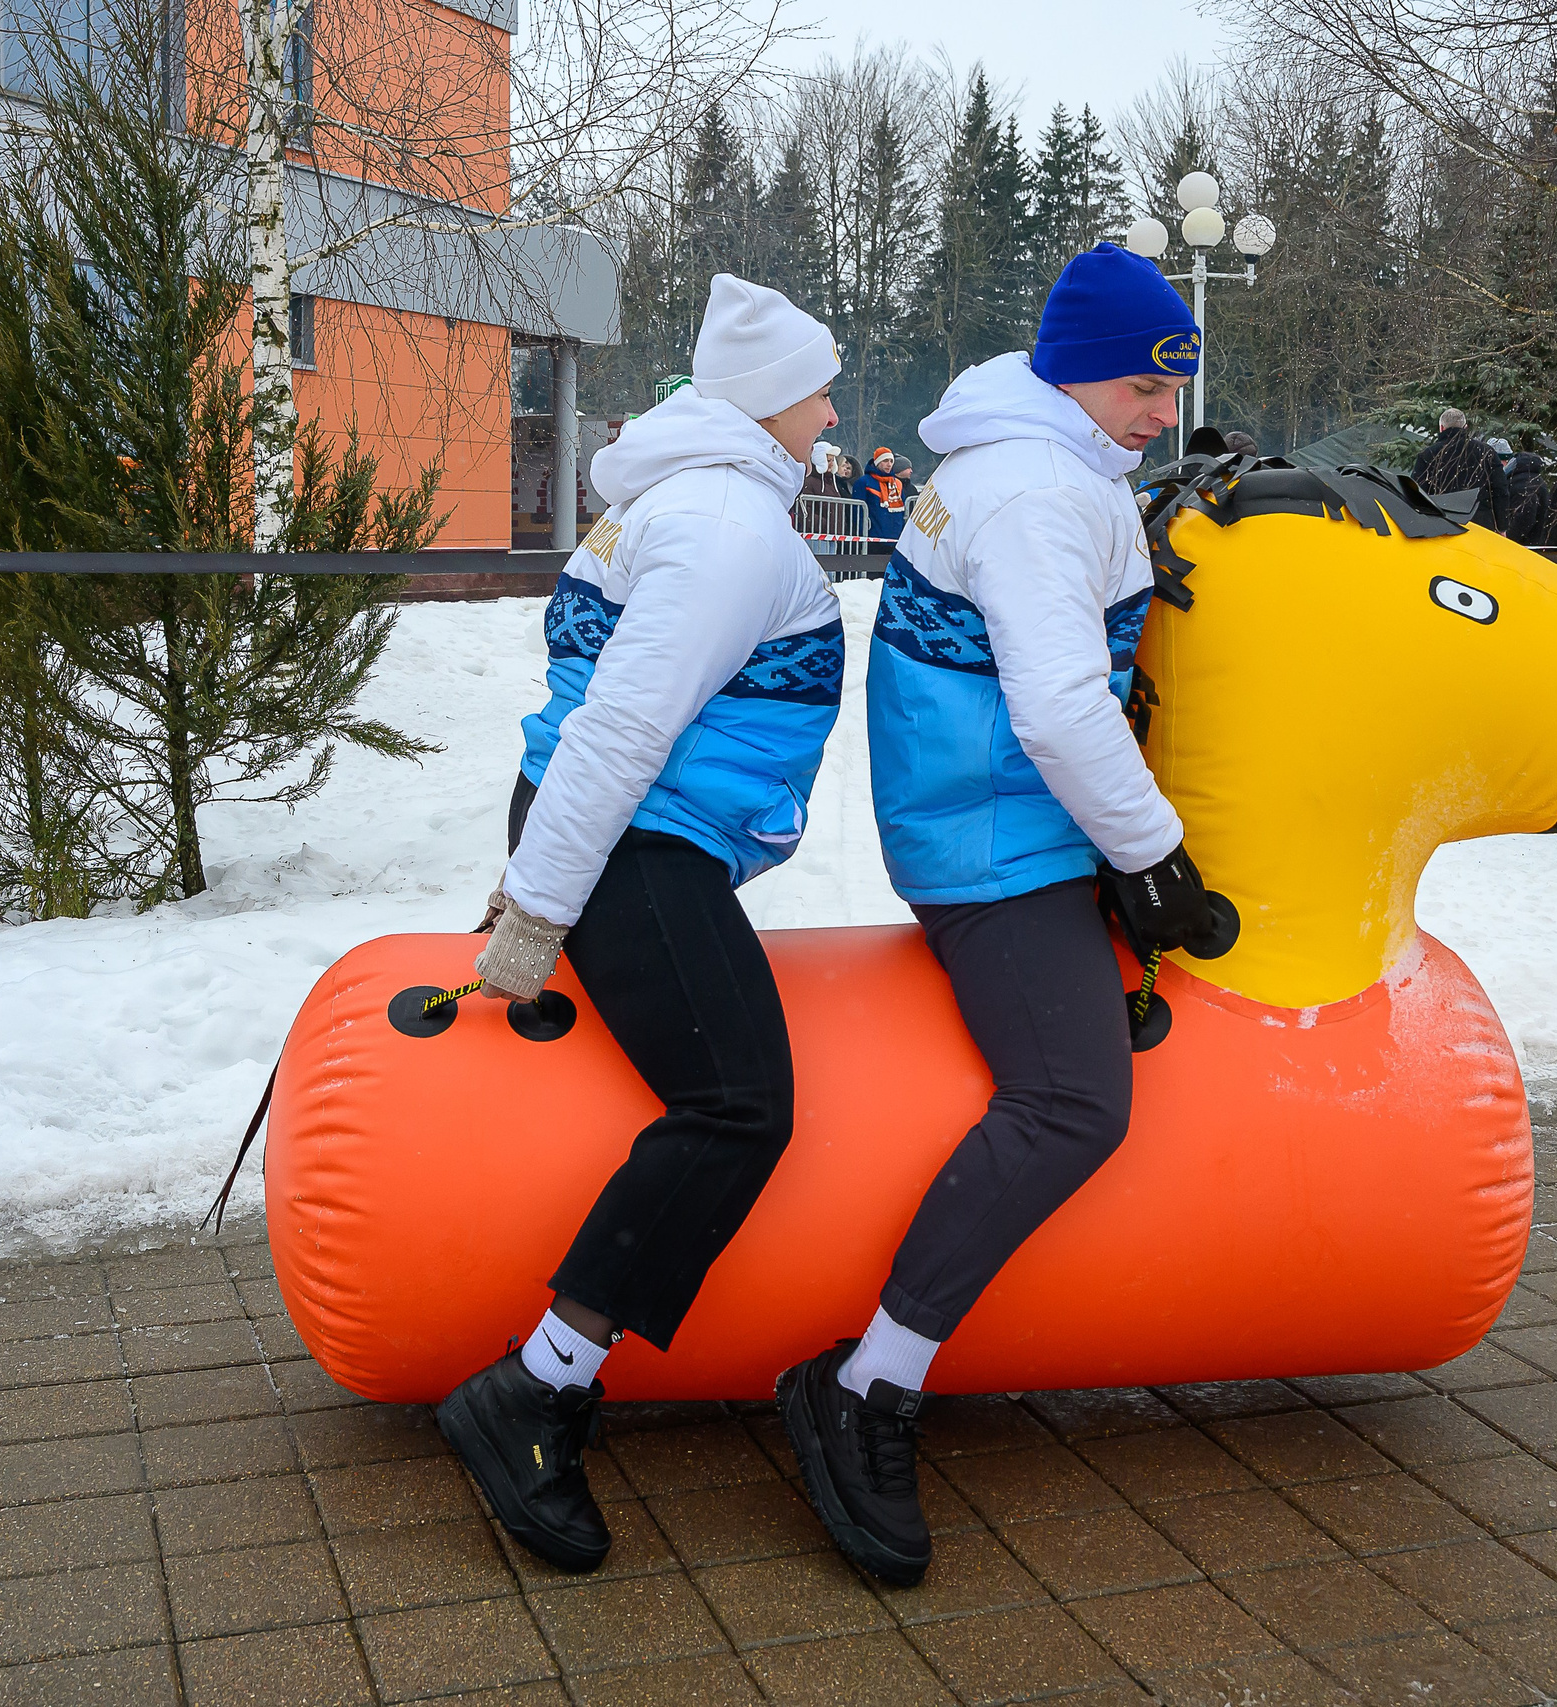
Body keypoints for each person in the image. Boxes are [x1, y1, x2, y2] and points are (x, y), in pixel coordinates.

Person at [775, 243, 1234, 1589]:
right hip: (994, 839)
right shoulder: (1035, 490)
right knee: (1073, 1100)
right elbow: (1053, 700)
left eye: (1174, 387)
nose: (1161, 412)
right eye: (1145, 387)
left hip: (1004, 809)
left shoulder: (1032, 456)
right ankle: (867, 1382)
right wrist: (1150, 858)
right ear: (1076, 369)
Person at [439, 274, 847, 1575]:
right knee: (739, 1102)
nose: (833, 410)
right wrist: (541, 908)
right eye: (818, 387)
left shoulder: (675, 497)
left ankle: (547, 1379)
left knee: (732, 1089)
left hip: (629, 834)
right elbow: (619, 726)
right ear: (771, 401)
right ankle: (537, 1385)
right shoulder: (726, 522)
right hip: (631, 840)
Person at [1412, 407, 1509, 535]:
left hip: (1442, 524)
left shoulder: (1428, 455)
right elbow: (1500, 491)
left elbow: (1416, 493)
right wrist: (1502, 526)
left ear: (1441, 428)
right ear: (1465, 427)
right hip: (1480, 525)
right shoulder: (1486, 453)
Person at [858, 446, 908, 555]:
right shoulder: (864, 482)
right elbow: (858, 510)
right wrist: (863, 531)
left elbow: (903, 510)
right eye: (885, 461)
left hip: (895, 536)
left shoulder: (897, 483)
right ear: (877, 462)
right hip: (874, 537)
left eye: (891, 461)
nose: (889, 464)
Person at [1503, 446, 1553, 548]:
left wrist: (1507, 540)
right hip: (1535, 542)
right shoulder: (1537, 481)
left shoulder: (1521, 485)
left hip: (1523, 546)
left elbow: (1525, 517)